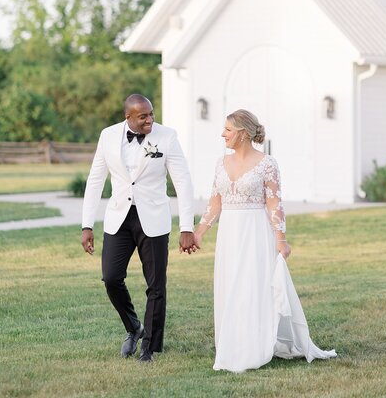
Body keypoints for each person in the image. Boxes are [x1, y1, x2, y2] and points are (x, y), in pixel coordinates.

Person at [194, 109, 336, 373]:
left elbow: (274, 203)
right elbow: (215, 203)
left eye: (227, 129)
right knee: (230, 285)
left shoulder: (267, 163)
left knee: (251, 286)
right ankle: (233, 342)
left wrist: (281, 239)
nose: (222, 134)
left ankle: (254, 345)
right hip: (229, 234)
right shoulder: (219, 163)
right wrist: (199, 232)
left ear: (243, 134)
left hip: (255, 231)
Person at [81, 94, 196, 363]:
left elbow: (183, 181)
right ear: (128, 117)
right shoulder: (107, 136)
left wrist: (186, 227)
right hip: (119, 217)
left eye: (151, 114)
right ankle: (134, 327)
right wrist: (87, 225)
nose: (150, 119)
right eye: (143, 116)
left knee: (156, 285)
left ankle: (149, 347)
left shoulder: (167, 137)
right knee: (111, 278)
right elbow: (95, 180)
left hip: (154, 219)